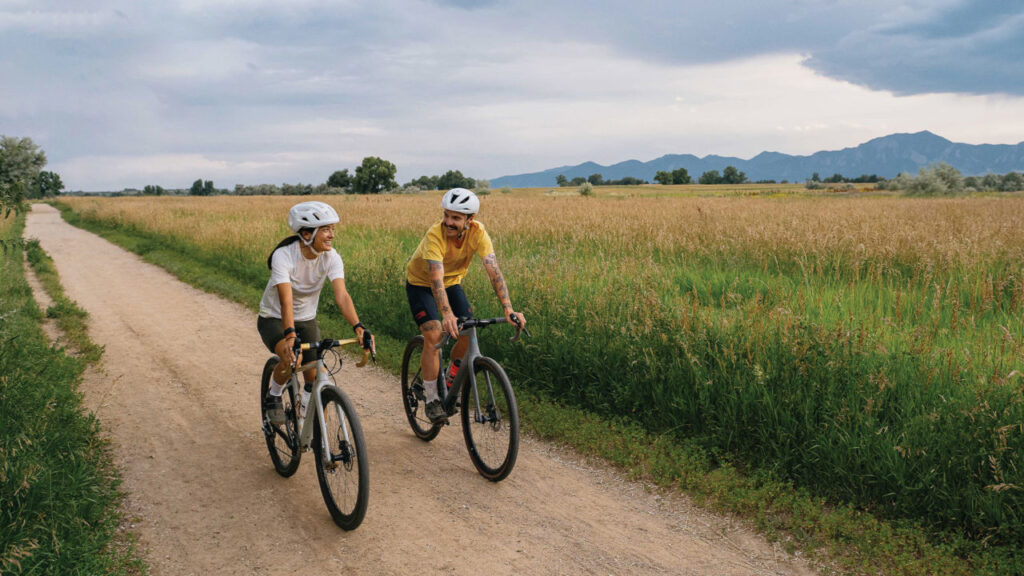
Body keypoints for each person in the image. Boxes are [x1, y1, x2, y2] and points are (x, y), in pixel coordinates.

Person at [405, 188, 526, 422]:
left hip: (451, 283)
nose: (448, 222)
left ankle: (450, 379)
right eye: (446, 215)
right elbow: (435, 278)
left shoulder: (479, 233)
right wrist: (447, 314)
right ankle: (432, 399)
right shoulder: (435, 235)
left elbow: (494, 271)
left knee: (467, 333)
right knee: (434, 335)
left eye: (456, 218)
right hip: (421, 284)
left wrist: (508, 308)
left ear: (470, 220)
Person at [258, 200, 374, 425]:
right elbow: (286, 301)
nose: (332, 235)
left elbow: (342, 296)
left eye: (332, 229)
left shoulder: (332, 257)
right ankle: (274, 395)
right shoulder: (284, 255)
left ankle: (308, 421)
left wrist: (359, 327)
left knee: (315, 377)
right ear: (306, 233)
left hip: (306, 319)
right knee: (293, 358)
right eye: (326, 230)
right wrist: (290, 335)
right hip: (274, 318)